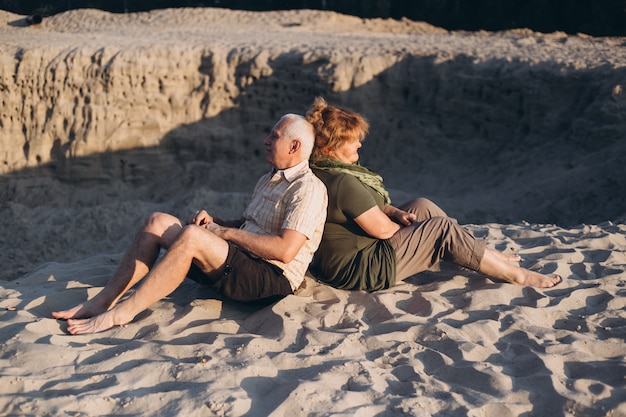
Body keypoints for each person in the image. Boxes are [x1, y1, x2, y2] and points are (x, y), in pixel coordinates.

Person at [52, 114, 328, 334]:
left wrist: (224, 234)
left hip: (269, 280)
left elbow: (284, 251)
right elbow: (248, 225)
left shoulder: (308, 189)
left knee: (193, 237)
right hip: (240, 262)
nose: (266, 140)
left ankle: (123, 312)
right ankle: (102, 301)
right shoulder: (269, 177)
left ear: (295, 146)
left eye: (274, 136)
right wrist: (216, 223)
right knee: (158, 221)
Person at [304, 97, 562, 292]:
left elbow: (371, 208)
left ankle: (484, 254)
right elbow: (383, 231)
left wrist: (398, 213)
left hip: (344, 259)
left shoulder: (325, 171)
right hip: (360, 270)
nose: (360, 143)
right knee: (440, 228)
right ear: (330, 146)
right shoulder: (342, 182)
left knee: (421, 205)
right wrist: (422, 233)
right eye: (353, 140)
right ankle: (517, 276)